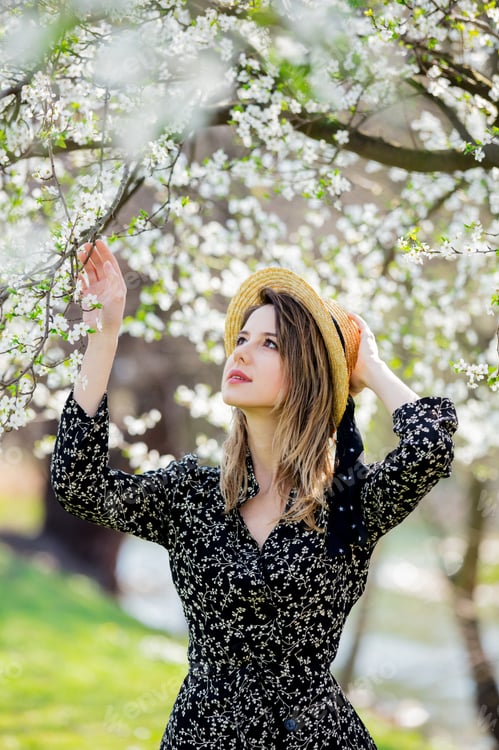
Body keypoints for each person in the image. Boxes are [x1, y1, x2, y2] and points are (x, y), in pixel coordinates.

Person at [51, 240, 458, 750]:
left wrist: (368, 367)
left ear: (307, 374)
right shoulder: (191, 496)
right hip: (204, 737)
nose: (240, 350)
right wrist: (103, 331)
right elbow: (79, 484)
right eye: (242, 337)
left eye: (269, 343)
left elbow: (430, 446)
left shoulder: (348, 504)